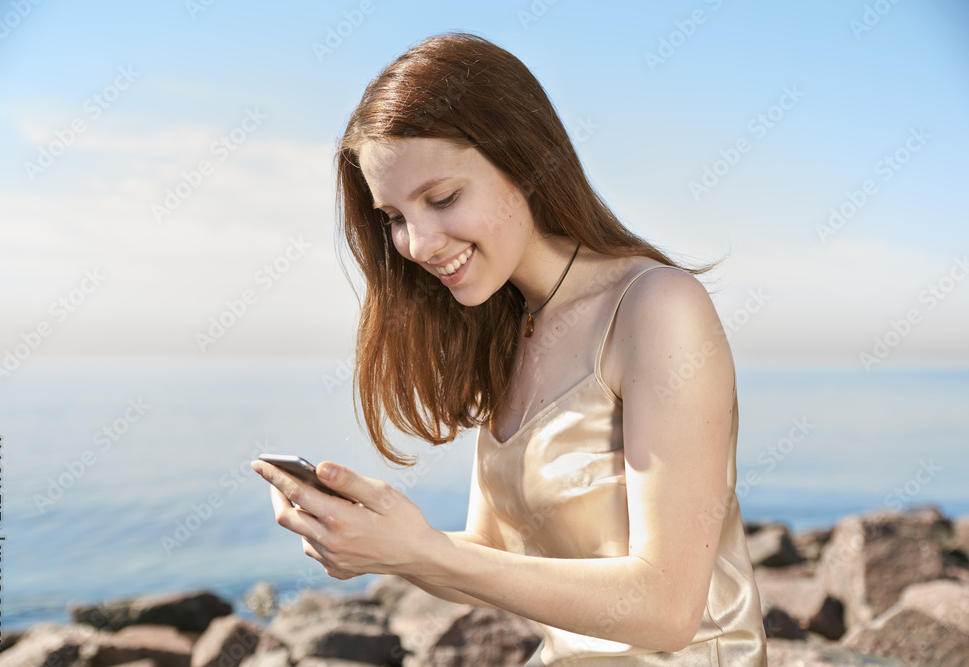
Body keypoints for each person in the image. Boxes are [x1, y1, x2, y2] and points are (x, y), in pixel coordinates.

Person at [252, 32, 767, 665]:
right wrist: (377, 543)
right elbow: (484, 557)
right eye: (393, 216)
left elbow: (667, 610)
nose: (416, 243)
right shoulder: (510, 332)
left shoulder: (656, 308)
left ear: (524, 162)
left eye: (442, 199)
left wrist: (420, 551)